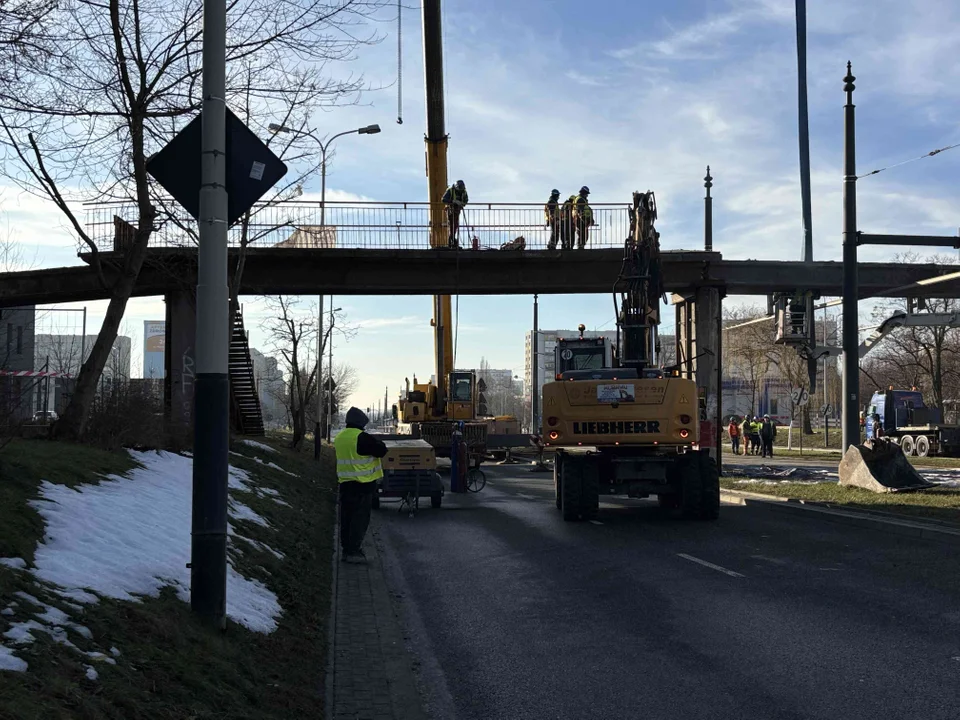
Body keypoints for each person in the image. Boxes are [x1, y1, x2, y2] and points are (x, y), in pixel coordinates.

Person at [334, 407, 388, 564]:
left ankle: (346, 550)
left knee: (346, 519)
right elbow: (381, 450)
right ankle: (353, 552)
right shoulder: (361, 437)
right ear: (360, 422)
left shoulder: (340, 437)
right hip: (362, 486)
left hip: (345, 484)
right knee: (359, 520)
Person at [441, 179, 468, 248]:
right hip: (450, 209)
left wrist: (461, 203)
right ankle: (452, 241)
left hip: (457, 210)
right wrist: (453, 201)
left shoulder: (463, 192)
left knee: (455, 225)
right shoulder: (450, 190)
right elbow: (443, 199)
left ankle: (453, 240)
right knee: (452, 225)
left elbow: (465, 200)